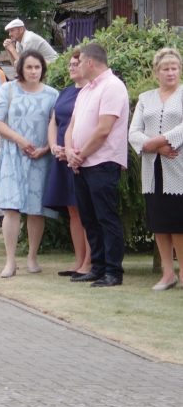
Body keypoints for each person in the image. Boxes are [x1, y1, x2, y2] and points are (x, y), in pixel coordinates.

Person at [65, 43, 129, 287]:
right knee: (89, 218)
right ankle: (98, 266)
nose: (77, 66)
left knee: (106, 217)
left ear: (90, 63)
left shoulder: (112, 87)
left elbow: (104, 129)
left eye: (79, 61)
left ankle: (113, 271)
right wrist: (70, 150)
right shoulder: (85, 91)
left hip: (102, 162)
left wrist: (80, 155)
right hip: (81, 163)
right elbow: (73, 124)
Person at [0, 50, 58, 278]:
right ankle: (10, 261)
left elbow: (56, 125)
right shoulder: (7, 90)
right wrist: (19, 140)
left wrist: (46, 148)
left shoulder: (52, 95)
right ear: (21, 69)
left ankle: (32, 257)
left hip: (40, 156)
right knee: (11, 207)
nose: (33, 71)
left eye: (37, 67)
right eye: (29, 67)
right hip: (12, 154)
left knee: (35, 209)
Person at [128, 47, 183, 291]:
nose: (170, 73)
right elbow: (133, 133)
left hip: (178, 167)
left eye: (174, 68)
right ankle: (167, 273)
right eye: (165, 68)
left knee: (179, 224)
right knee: (159, 223)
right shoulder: (145, 98)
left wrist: (160, 140)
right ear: (156, 71)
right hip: (153, 169)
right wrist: (153, 147)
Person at [44, 51, 91, 278]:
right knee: (73, 211)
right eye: (70, 64)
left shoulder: (92, 92)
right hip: (61, 157)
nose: (72, 67)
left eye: (76, 63)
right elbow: (54, 122)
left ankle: (90, 262)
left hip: (81, 158)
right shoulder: (65, 92)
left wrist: (72, 150)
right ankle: (78, 260)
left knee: (86, 210)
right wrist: (54, 146)